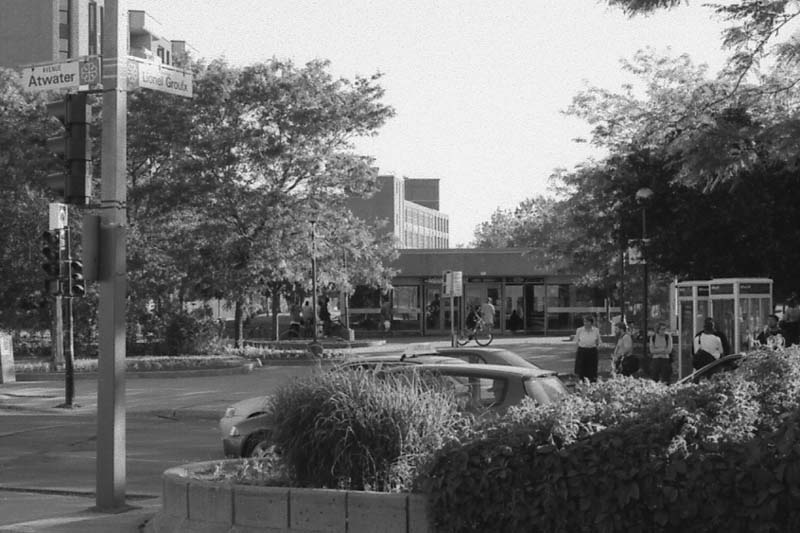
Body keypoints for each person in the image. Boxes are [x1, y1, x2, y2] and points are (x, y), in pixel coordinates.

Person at [574, 315, 601, 382]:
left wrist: (597, 348)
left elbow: (599, 341)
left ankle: (592, 383)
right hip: (582, 351)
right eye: (584, 321)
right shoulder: (579, 330)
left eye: (587, 322)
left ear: (591, 322)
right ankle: (582, 383)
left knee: (592, 370)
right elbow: (576, 341)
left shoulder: (596, 330)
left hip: (592, 351)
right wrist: (577, 351)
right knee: (581, 370)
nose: (585, 323)